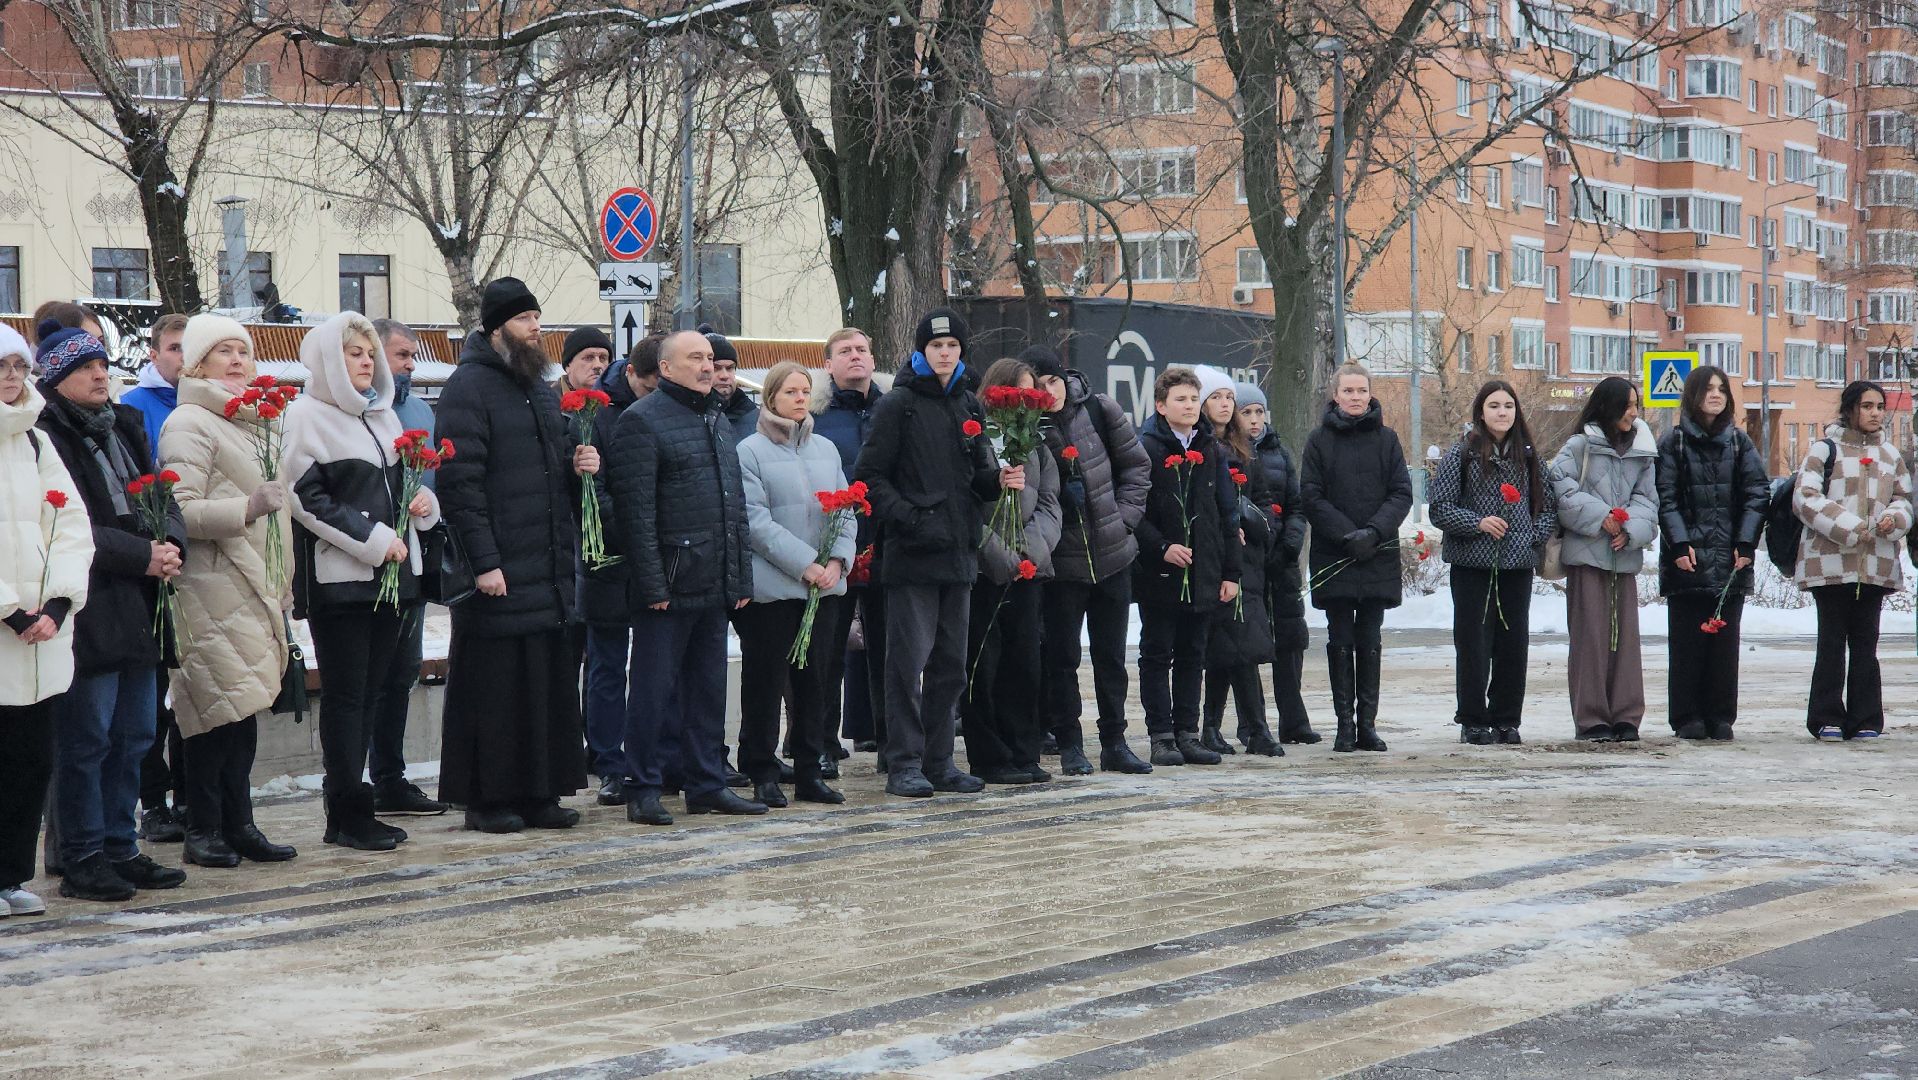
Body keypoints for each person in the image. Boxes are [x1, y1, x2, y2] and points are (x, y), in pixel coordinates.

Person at [35, 322, 188, 901]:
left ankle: (123, 848)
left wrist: (171, 543)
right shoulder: (48, 435)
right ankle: (83, 856)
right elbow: (68, 523)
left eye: (102, 364)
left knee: (136, 734)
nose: (100, 374)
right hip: (91, 602)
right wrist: (143, 554)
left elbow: (160, 492)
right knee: (88, 739)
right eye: (84, 368)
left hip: (143, 601)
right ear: (56, 380)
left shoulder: (123, 426)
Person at [435, 278, 593, 832]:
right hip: (500, 567)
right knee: (495, 689)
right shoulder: (468, 388)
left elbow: (552, 474)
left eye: (538, 318)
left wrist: (579, 467)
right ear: (498, 327)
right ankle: (488, 797)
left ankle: (539, 792)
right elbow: (459, 485)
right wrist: (484, 563)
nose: (537, 329)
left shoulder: (538, 389)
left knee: (545, 683)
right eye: (526, 320)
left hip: (545, 567)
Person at [283, 313, 440, 850]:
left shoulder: (383, 418)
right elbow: (306, 499)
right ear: (329, 359)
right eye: (354, 353)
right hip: (342, 581)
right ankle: (346, 811)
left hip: (394, 577)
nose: (367, 361)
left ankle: (360, 804)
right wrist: (374, 541)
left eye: (370, 352)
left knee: (374, 693)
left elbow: (403, 489)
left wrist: (423, 507)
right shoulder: (305, 416)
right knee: (348, 697)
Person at [852, 307, 1013, 798]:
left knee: (949, 665)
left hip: (959, 554)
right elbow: (869, 478)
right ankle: (903, 762)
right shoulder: (897, 404)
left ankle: (940, 761)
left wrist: (1000, 480)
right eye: (936, 346)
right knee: (906, 664)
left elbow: (979, 476)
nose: (945, 353)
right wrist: (912, 518)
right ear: (922, 351)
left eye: (953, 347)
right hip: (913, 555)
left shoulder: (969, 404)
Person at [159, 315, 298, 868]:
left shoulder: (253, 421)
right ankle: (204, 827)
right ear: (197, 364)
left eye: (244, 349)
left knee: (242, 710)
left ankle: (240, 823)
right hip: (211, 586)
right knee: (211, 712)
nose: (238, 360)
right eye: (223, 351)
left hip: (254, 584)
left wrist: (281, 575)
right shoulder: (189, 421)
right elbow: (180, 508)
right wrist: (246, 509)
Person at [610, 329, 762, 824]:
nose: (706, 366)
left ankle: (706, 783)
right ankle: (643, 786)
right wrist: (653, 586)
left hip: (713, 580)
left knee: (708, 688)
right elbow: (636, 515)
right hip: (668, 586)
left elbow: (732, 507)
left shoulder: (717, 418)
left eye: (710, 358)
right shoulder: (641, 422)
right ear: (667, 368)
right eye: (694, 358)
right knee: (654, 690)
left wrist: (738, 579)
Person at [0, 323, 91, 917]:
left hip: (42, 635)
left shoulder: (34, 440)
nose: (11, 379)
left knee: (30, 760)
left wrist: (57, 605)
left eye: (18, 367)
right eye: (1, 369)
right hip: (7, 627)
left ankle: (10, 874)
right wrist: (10, 611)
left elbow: (71, 525)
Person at [1029, 345, 1153, 774]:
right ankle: (1070, 745)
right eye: (1039, 385)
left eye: (1053, 381)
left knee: (1111, 657)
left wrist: (1125, 520)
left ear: (1064, 378)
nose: (1049, 392)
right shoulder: (1025, 429)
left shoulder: (1100, 410)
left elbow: (1137, 467)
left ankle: (1115, 742)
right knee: (1062, 658)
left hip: (1113, 555)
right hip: (1062, 565)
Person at [735, 361, 853, 806]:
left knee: (814, 682)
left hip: (822, 589)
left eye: (805, 391)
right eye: (790, 392)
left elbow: (846, 508)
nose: (801, 398)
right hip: (774, 590)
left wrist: (837, 561)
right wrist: (805, 563)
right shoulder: (750, 451)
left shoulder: (825, 448)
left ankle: (810, 769)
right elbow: (754, 522)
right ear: (770, 398)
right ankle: (762, 768)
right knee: (766, 682)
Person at [1428, 380, 1558, 746]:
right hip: (1472, 566)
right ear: (1480, 412)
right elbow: (1440, 508)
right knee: (1473, 644)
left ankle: (1506, 718)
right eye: (1494, 406)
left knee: (1512, 644)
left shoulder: (1530, 458)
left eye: (1508, 406)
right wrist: (1477, 522)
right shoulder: (1462, 455)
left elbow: (1549, 509)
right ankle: (1473, 719)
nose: (1502, 413)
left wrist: (1530, 535)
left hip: (1516, 567)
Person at [1300, 362, 1413, 754]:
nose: (1355, 397)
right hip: (1337, 553)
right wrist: (1347, 534)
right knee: (1339, 639)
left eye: (1361, 391)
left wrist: (1374, 532)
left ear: (1370, 394)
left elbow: (1401, 492)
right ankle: (1343, 725)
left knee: (1370, 639)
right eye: (1347, 391)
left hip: (1376, 553)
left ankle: (1367, 724)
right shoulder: (1318, 440)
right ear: (1335, 395)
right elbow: (1311, 495)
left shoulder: (1387, 439)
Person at [1133, 365, 1240, 767]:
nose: (1191, 406)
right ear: (1161, 405)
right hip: (1160, 568)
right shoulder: (1146, 447)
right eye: (1181, 399)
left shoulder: (1210, 449)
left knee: (1194, 652)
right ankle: (1161, 735)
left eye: (1195, 399)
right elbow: (1134, 511)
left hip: (1204, 569)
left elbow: (1227, 514)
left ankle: (1188, 732)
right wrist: (1161, 546)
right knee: (1158, 652)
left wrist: (1231, 572)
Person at [1793, 380, 1911, 741]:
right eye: (1867, 406)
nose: (1875, 413)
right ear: (1850, 410)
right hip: (1829, 564)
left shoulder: (1891, 456)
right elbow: (1805, 497)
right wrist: (1851, 527)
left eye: (1879, 406)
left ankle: (1866, 718)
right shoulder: (1824, 449)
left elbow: (1905, 498)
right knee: (1831, 642)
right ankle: (1825, 715)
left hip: (1875, 563)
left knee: (1866, 644)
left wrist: (1894, 519)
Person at [962, 357, 1062, 785]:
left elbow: (1050, 503)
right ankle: (989, 755)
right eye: (1017, 390)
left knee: (1025, 664)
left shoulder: (1037, 445)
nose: (1025, 399)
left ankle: (1024, 751)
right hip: (987, 570)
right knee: (984, 662)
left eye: (1031, 391)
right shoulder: (976, 438)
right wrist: (1003, 556)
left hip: (1028, 570)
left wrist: (1030, 555)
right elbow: (969, 508)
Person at [1657, 367, 1768, 742]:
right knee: (1687, 643)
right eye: (1709, 389)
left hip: (1730, 557)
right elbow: (1666, 497)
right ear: (1693, 395)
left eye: (1722, 389)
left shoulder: (1739, 443)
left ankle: (1721, 716)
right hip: (1686, 558)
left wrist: (1746, 542)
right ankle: (1687, 716)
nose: (1717, 395)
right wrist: (1678, 544)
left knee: (1724, 645)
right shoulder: (1673, 444)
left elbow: (1757, 493)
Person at [363, 318, 446, 816]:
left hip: (411, 559)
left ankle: (391, 777)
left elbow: (436, 477)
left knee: (402, 673)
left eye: (413, 355)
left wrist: (428, 504)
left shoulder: (417, 409)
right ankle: (357, 782)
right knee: (368, 677)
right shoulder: (350, 412)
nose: (411, 365)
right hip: (367, 562)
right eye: (401, 355)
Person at [1551, 376, 1658, 742]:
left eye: (1636, 404)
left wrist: (1630, 530)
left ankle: (1627, 716)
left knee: (1626, 640)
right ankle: (1592, 718)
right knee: (1590, 639)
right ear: (1608, 406)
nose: (1633, 412)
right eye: (1627, 404)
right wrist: (1602, 518)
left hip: (1622, 558)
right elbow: (1560, 489)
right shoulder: (1579, 446)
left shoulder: (1643, 452)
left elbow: (1648, 501)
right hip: (1587, 557)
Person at [123, 313, 189, 845]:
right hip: (150, 568)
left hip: (193, 563)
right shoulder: (136, 408)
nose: (181, 357)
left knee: (194, 689)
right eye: (173, 347)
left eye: (190, 347)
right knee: (155, 696)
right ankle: (154, 800)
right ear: (154, 353)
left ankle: (190, 793)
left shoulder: (205, 402)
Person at [1194, 371, 1283, 757]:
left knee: (1243, 645)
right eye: (1217, 397)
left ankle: (1254, 728)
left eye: (1229, 397)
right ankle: (1212, 727)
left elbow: (1266, 506)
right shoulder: (1197, 447)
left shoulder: (1245, 449)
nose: (1226, 404)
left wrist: (1245, 516)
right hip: (1210, 560)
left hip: (1245, 564)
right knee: (1220, 647)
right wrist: (1223, 526)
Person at [811, 328, 887, 762]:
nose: (855, 357)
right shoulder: (817, 416)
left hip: (885, 541)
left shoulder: (892, 408)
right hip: (832, 545)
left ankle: (888, 740)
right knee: (828, 649)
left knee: (886, 649)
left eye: (862, 349)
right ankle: (821, 742)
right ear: (829, 364)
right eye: (845, 351)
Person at [577, 352, 644, 806]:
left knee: (656, 666)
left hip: (655, 558)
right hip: (609, 557)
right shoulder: (598, 416)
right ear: (636, 374)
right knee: (606, 665)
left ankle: (651, 756)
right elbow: (592, 492)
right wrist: (635, 530)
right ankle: (608, 761)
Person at [1236, 382, 1316, 745]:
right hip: (1248, 560)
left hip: (1281, 559)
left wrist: (1291, 543)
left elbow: (1297, 506)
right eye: (1246, 412)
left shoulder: (1279, 451)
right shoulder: (1230, 452)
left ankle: (1294, 719)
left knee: (1290, 639)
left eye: (1259, 412)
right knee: (1249, 641)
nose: (1254, 420)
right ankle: (1250, 722)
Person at [706, 326, 758, 452]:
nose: (724, 376)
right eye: (716, 368)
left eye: (729, 368)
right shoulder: (690, 414)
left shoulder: (756, 417)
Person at [557, 326, 612, 395]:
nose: (598, 365)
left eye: (602, 358)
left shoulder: (618, 400)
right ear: (568, 365)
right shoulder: (546, 400)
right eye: (589, 358)